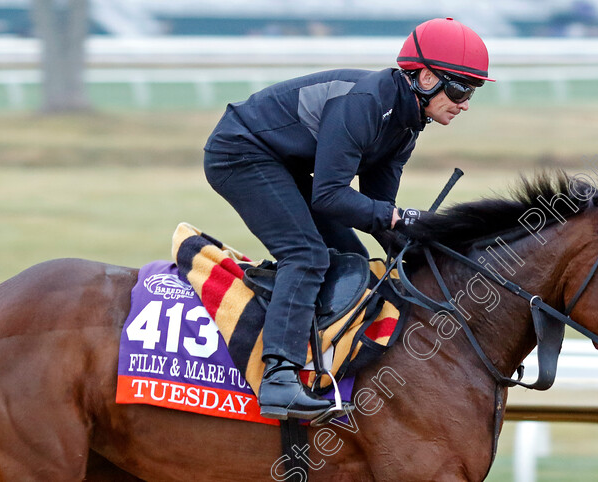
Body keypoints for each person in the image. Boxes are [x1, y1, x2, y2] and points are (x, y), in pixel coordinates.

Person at [203, 17, 494, 420]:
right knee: (306, 255)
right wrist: (400, 217)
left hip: (286, 165)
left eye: (472, 92)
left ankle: (326, 359)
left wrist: (427, 248)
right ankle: (279, 380)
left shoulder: (408, 124)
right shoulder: (365, 103)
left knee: (353, 259)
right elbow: (330, 196)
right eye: (460, 88)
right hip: (241, 153)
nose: (464, 103)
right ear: (426, 77)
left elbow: (377, 212)